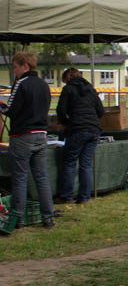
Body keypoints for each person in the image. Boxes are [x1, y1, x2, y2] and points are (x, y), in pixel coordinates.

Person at [0, 52, 55, 232]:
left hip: (22, 135)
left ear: (24, 66)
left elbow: (11, 110)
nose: (14, 71)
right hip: (41, 133)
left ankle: (19, 218)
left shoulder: (21, 84)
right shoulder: (44, 85)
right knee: (41, 178)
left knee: (20, 178)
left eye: (15, 67)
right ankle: (48, 217)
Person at [55, 68, 104, 205]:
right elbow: (101, 110)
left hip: (77, 129)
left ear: (66, 78)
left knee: (69, 163)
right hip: (93, 129)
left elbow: (61, 110)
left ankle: (67, 196)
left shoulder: (68, 89)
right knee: (86, 165)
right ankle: (84, 197)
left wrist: (66, 123)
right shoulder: (90, 89)